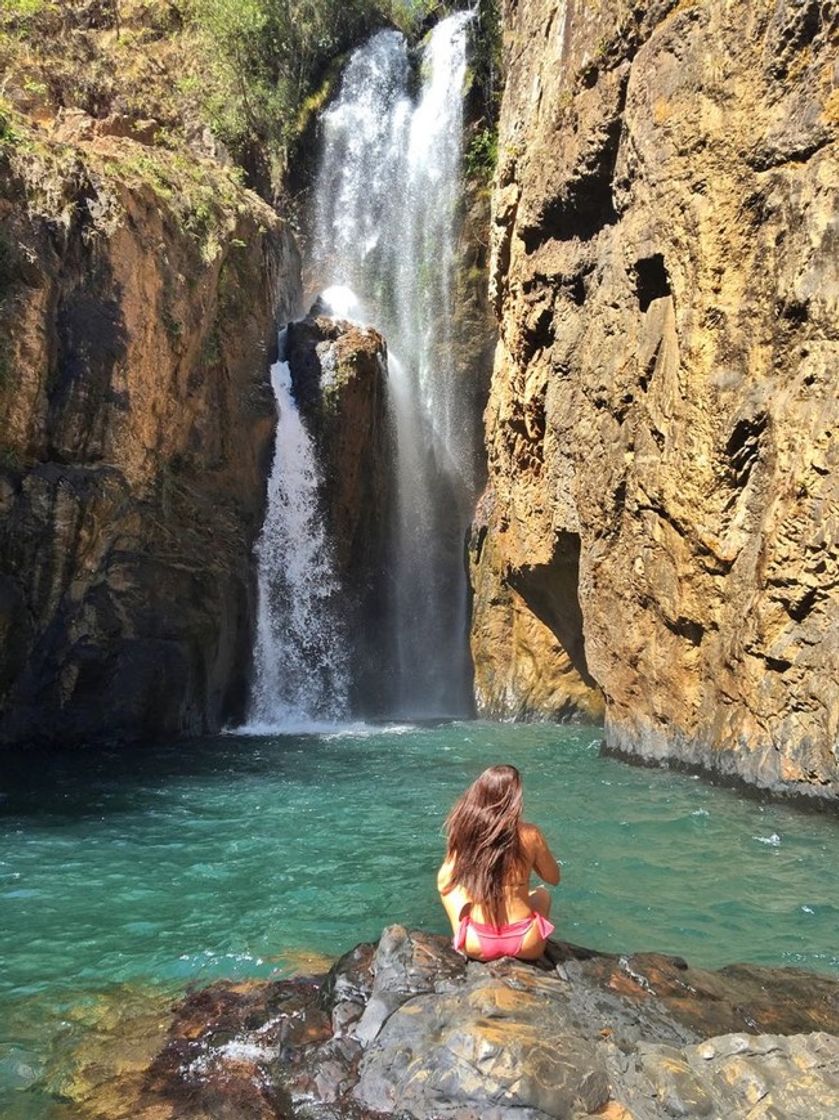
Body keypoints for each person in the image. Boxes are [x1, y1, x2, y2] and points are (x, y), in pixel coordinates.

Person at [437, 764, 560, 962]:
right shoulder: (530, 834)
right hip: (526, 942)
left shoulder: (466, 833)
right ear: (514, 799)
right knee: (542, 894)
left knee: (452, 892)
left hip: (477, 943)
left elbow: (444, 883)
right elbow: (553, 878)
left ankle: (459, 936)